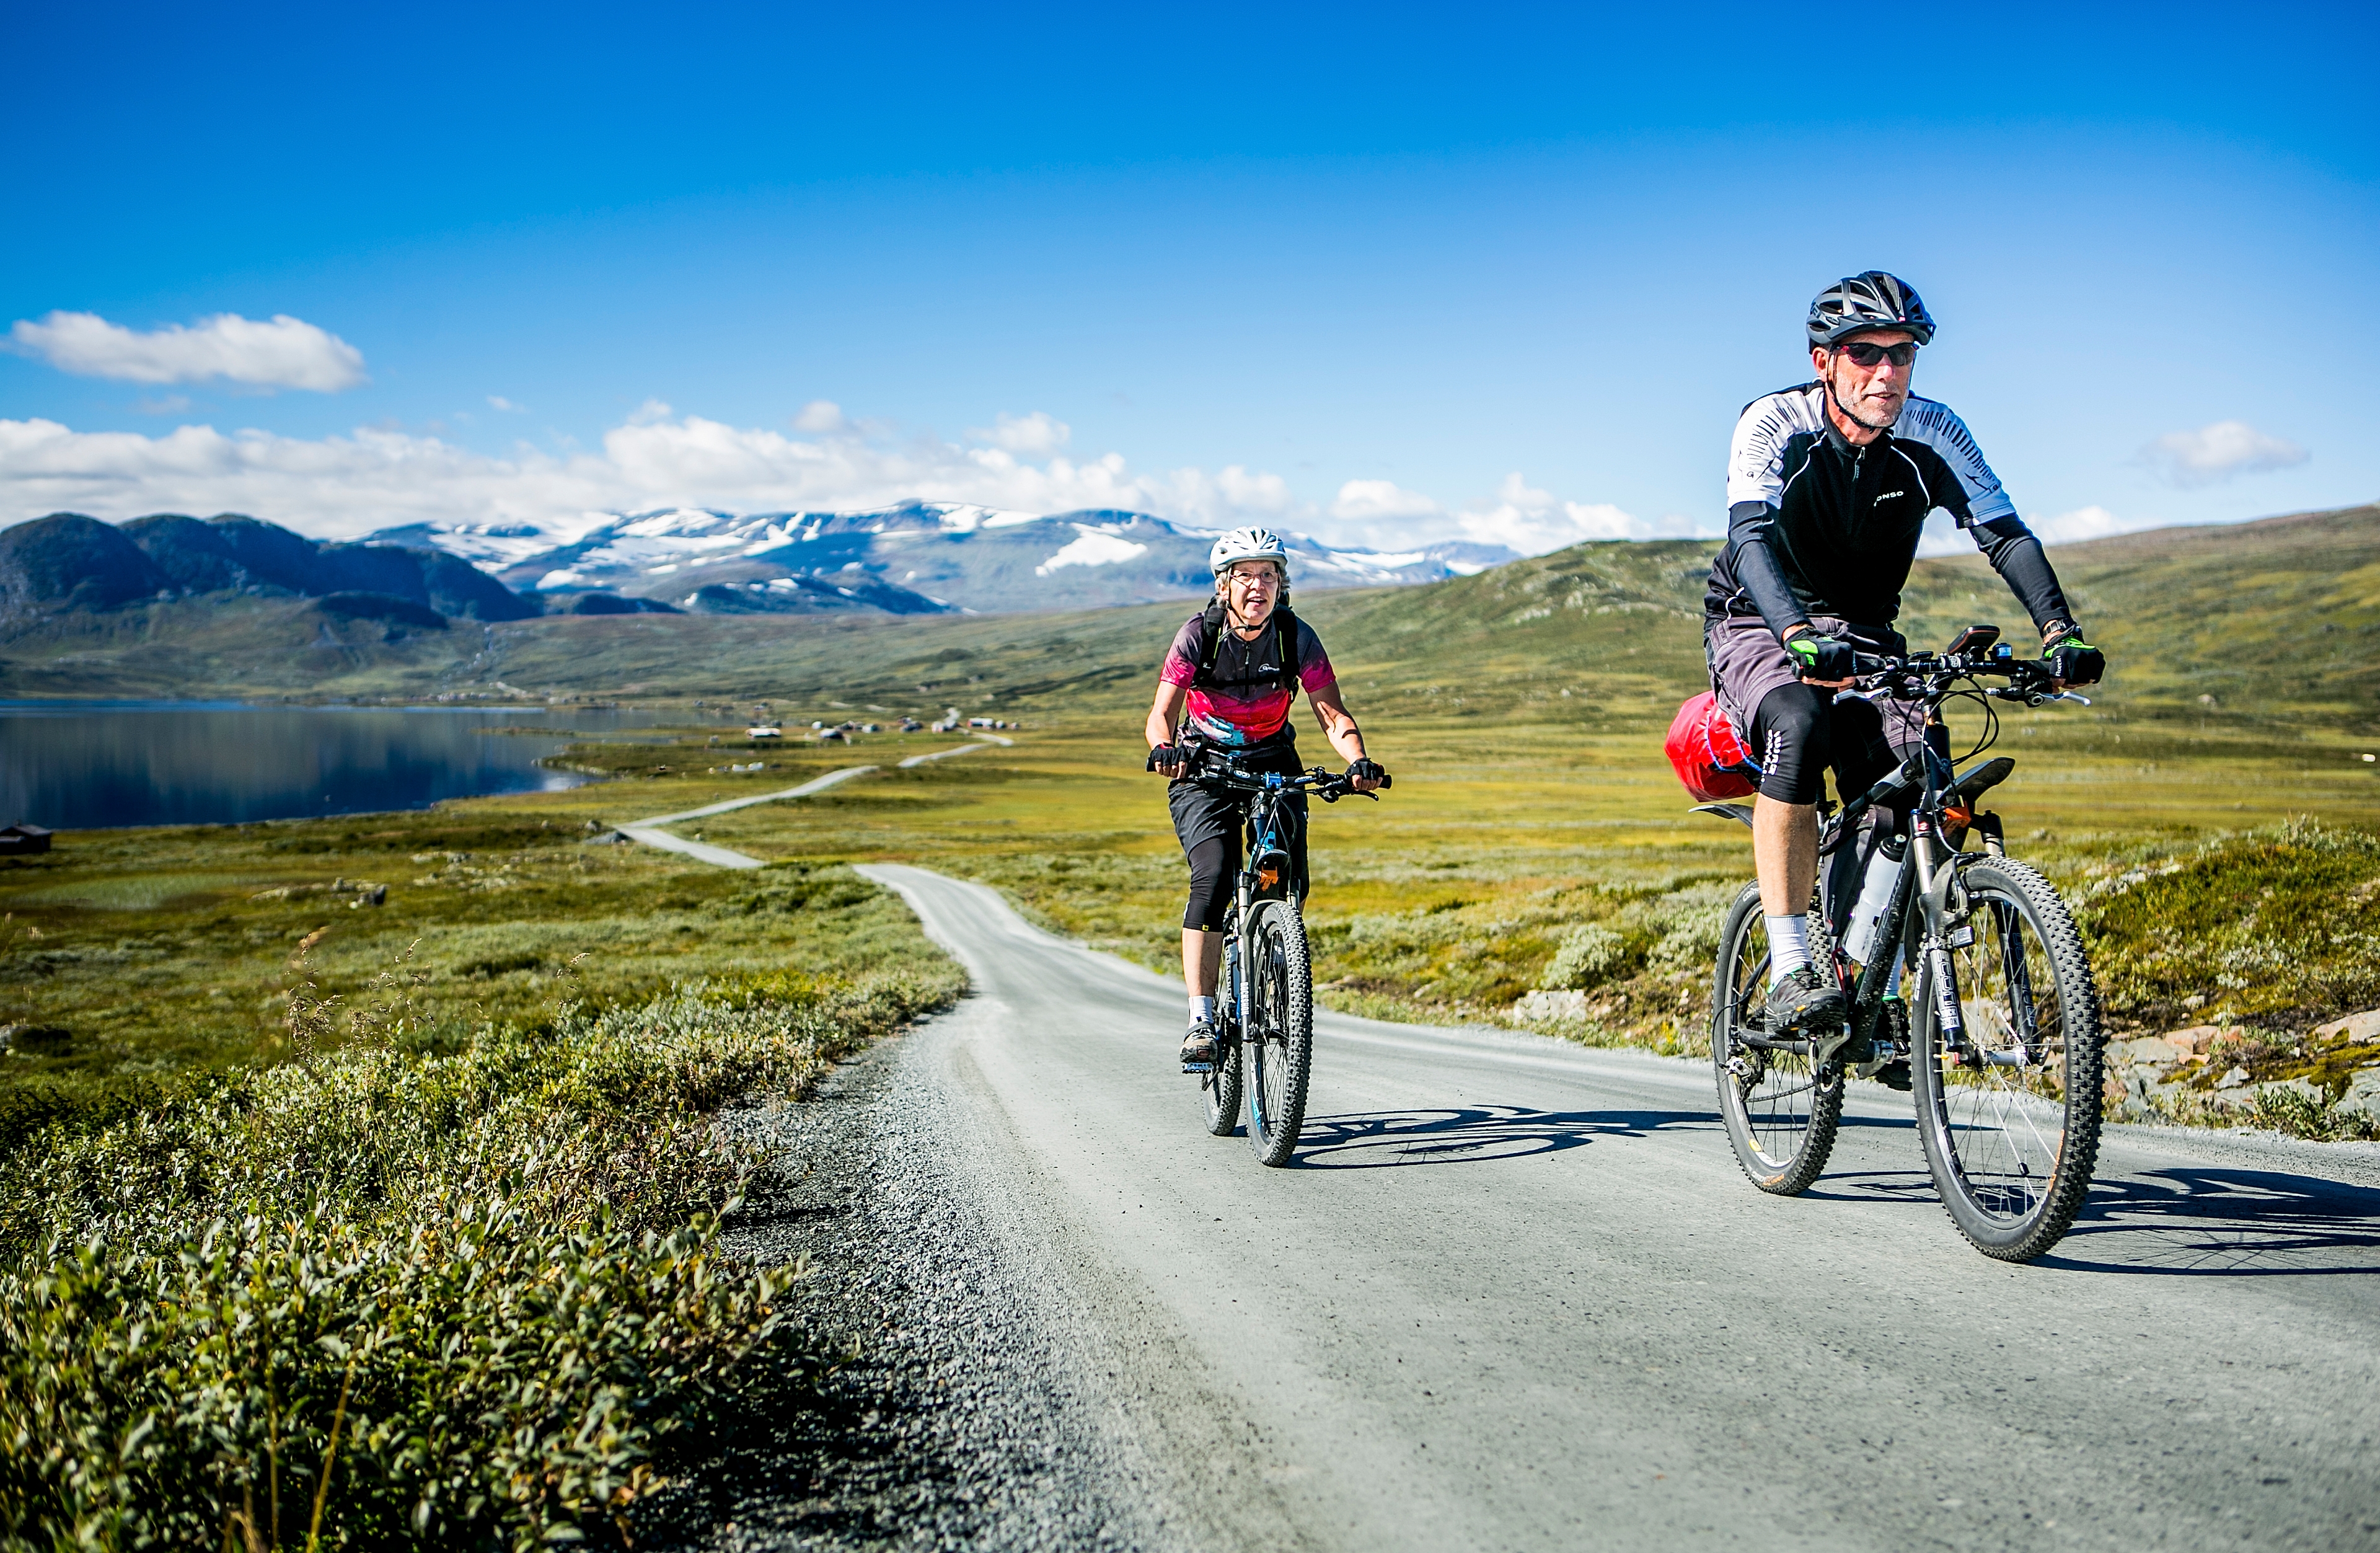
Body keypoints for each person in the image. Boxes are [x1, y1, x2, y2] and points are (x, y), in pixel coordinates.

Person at [1704, 271, 2105, 1049]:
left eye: (1903, 354)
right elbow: (1749, 539)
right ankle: (1791, 968)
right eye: (1865, 354)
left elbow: (2006, 535)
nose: (1886, 374)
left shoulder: (1934, 432)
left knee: (1920, 772)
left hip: (1863, 631)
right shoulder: (1773, 422)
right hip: (1758, 616)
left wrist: (2059, 633)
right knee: (1797, 720)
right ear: (1825, 360)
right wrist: (1792, 634)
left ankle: (1868, 983)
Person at [1145, 529, 1385, 1071]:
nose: (1259, 586)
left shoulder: (1294, 636)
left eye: (1269, 575)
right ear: (1225, 584)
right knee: (1214, 871)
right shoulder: (1197, 636)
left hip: (1273, 761)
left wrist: (1357, 761)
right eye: (1246, 576)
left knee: (1288, 877)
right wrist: (1165, 749)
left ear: (1282, 584)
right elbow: (1161, 712)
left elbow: (1332, 713)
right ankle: (1202, 1018)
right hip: (1202, 767)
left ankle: (1277, 965)